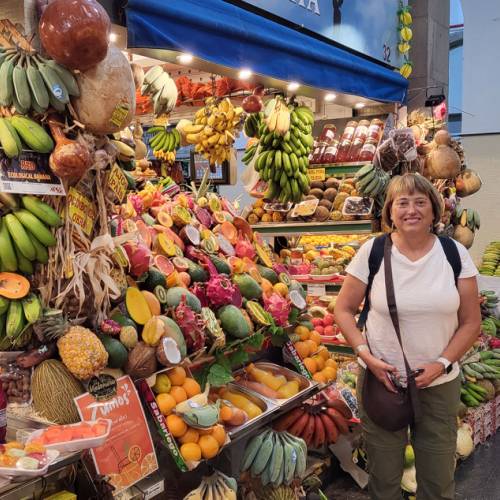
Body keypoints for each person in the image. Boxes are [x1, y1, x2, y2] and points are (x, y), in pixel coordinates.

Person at [334, 173, 481, 500]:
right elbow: (343, 310)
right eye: (402, 203)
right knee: (384, 480)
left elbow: (472, 322)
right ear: (390, 211)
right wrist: (365, 355)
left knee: (438, 480)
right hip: (382, 383)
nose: (411, 210)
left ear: (434, 210)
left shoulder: (453, 253)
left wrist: (441, 364)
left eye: (420, 202)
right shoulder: (373, 251)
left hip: (439, 386)